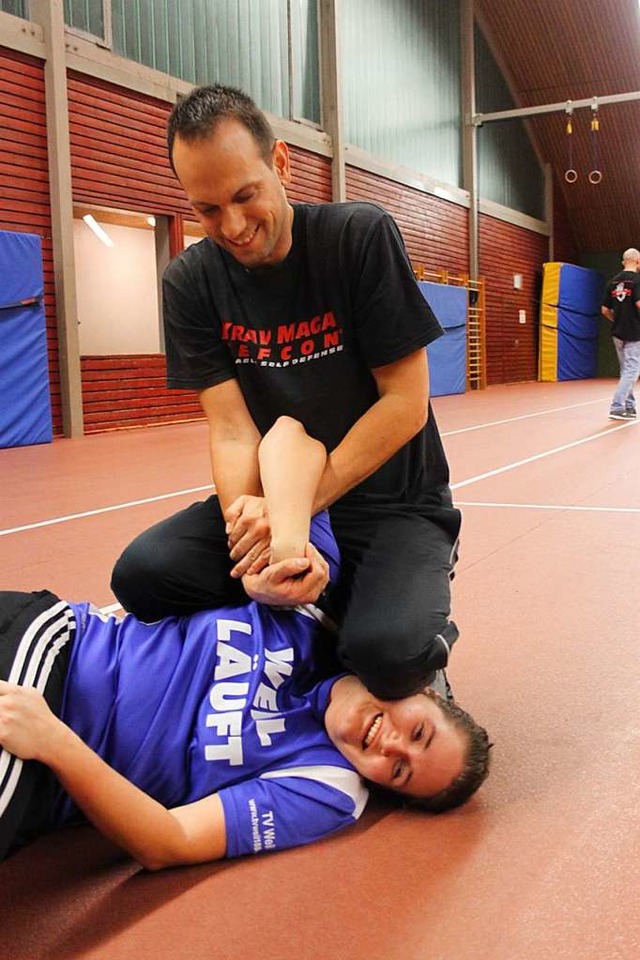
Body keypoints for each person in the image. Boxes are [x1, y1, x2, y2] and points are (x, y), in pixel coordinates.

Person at [0, 418, 491, 868]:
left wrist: (55, 743)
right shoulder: (319, 604)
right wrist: (282, 534)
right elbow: (288, 436)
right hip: (57, 646)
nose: (390, 746)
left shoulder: (324, 786)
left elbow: (171, 841)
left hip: (41, 752)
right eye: (418, 733)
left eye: (399, 772)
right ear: (423, 692)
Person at [111, 83, 462, 702]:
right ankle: (317, 617)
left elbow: (404, 405)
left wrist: (290, 521)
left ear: (280, 164)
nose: (235, 226)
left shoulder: (359, 238)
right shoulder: (191, 282)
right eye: (208, 210)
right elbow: (230, 429)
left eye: (245, 196)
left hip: (393, 503)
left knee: (388, 655)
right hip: (282, 499)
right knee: (143, 575)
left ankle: (388, 632)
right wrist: (256, 540)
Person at [601, 247, 640, 421]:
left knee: (626, 370)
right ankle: (617, 406)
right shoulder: (637, 281)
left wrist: (616, 320)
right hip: (634, 332)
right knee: (632, 371)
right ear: (638, 263)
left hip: (617, 332)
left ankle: (629, 406)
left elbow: (604, 310)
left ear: (623, 262)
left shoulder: (613, 282)